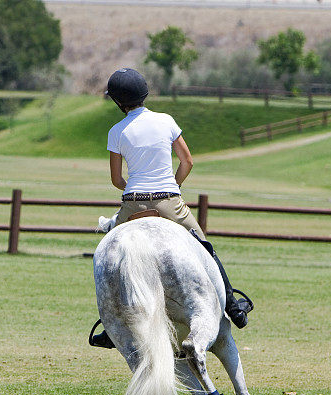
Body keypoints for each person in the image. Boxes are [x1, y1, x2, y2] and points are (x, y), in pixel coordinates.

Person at [89, 68, 253, 349]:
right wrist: (171, 189)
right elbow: (187, 161)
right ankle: (233, 307)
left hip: (133, 204)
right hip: (170, 202)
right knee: (206, 249)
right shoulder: (166, 121)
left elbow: (116, 180)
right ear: (144, 93)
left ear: (118, 101)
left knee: (113, 259)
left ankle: (110, 326)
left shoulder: (116, 131)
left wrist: (135, 190)